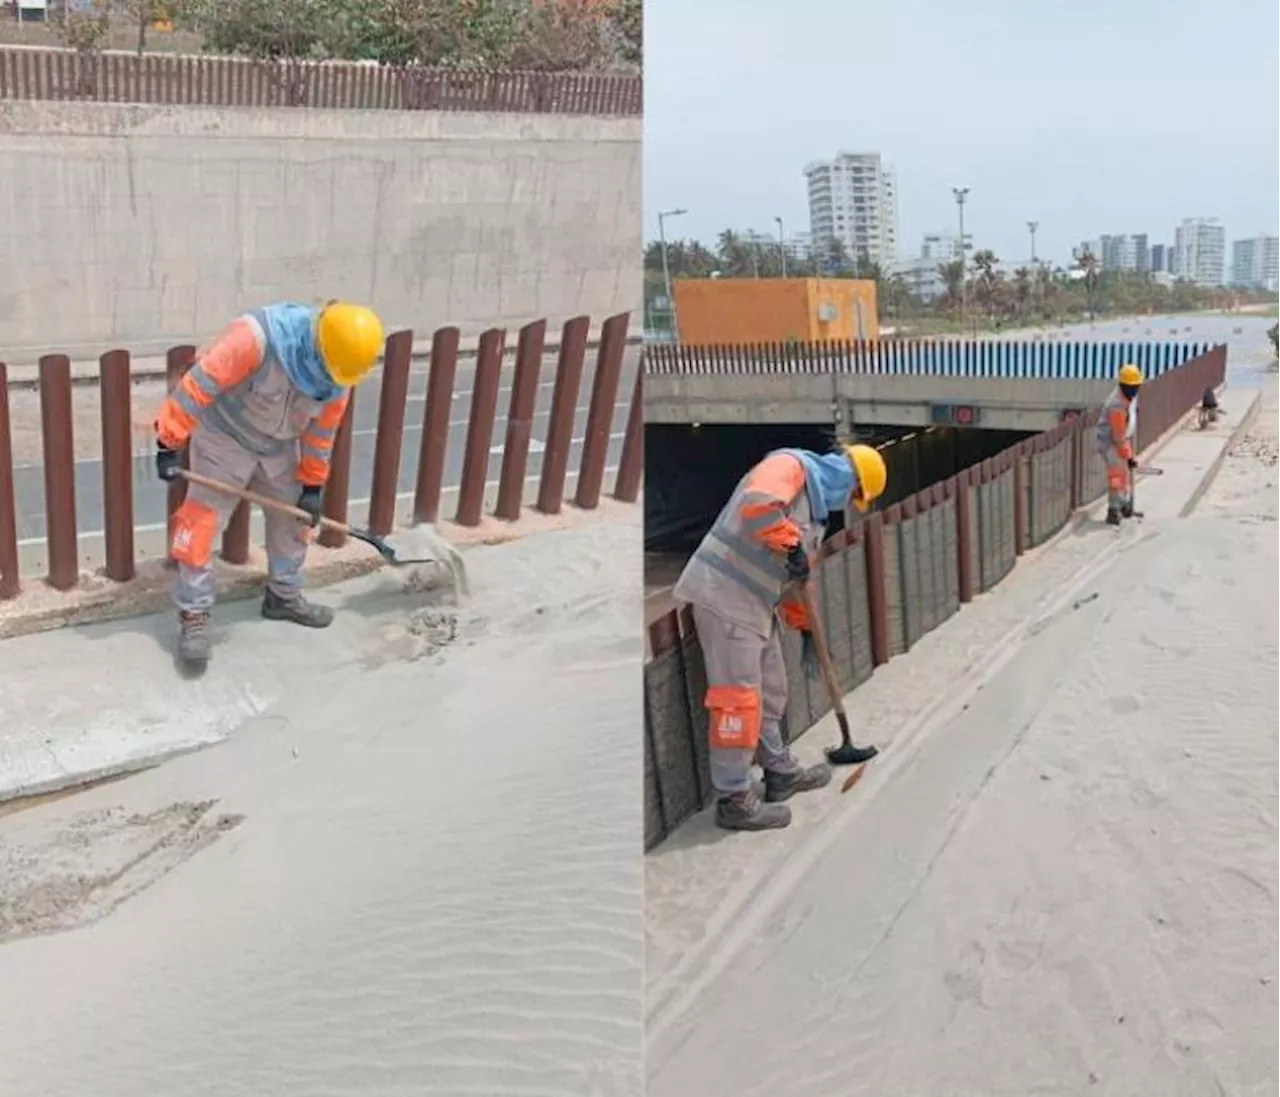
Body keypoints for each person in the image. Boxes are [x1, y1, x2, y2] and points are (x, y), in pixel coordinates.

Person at [154, 300, 385, 668]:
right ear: (319, 344)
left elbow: (321, 433)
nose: (331, 379)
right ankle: (194, 616)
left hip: (279, 444)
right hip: (224, 437)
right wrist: (169, 441)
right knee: (199, 524)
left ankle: (283, 597)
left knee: (295, 521)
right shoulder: (255, 338)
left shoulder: (339, 376)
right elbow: (198, 384)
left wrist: (312, 485)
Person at [672, 442, 888, 832]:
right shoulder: (790, 467)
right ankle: (734, 798)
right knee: (736, 703)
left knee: (772, 690)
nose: (849, 502)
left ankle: (779, 772)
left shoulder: (817, 516)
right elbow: (758, 504)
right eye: (855, 493)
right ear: (851, 477)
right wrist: (790, 545)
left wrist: (802, 622)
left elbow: (796, 579)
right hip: (723, 597)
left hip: (756, 604)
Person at [1098, 363, 1143, 526]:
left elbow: (1123, 434)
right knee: (1116, 476)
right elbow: (1118, 437)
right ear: (1123, 385)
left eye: (1136, 386)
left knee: (1124, 473)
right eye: (1131, 387)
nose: (1134, 390)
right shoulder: (1116, 406)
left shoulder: (1129, 396)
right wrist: (1129, 456)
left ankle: (1124, 503)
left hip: (1121, 437)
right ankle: (1114, 509)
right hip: (1110, 441)